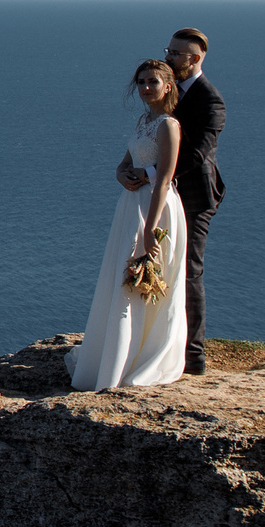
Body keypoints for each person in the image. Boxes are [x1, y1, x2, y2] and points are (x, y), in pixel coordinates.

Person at [70, 59, 191, 391]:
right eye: (141, 82)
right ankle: (118, 356)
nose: (145, 87)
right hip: (131, 204)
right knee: (122, 278)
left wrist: (151, 228)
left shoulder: (168, 125)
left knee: (142, 281)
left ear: (168, 86)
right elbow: (127, 162)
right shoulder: (144, 121)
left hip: (156, 208)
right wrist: (120, 174)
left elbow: (164, 179)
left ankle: (141, 357)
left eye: (152, 81)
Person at [118, 27, 225, 375]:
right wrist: (125, 172)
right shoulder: (161, 94)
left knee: (187, 268)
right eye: (169, 51)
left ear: (194, 59)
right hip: (150, 192)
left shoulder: (210, 100)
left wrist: (151, 175)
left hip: (192, 195)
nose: (168, 57)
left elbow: (197, 154)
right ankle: (147, 341)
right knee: (148, 261)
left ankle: (193, 356)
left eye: (176, 54)